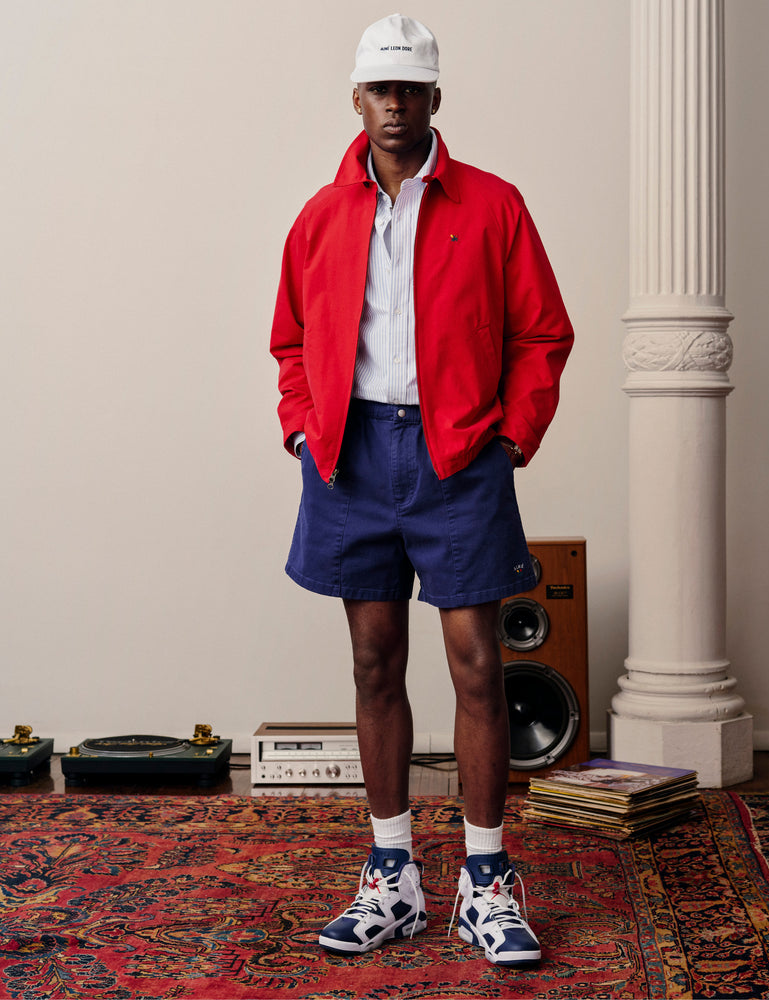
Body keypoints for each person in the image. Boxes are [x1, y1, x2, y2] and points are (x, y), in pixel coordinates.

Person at [270, 13, 573, 967]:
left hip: (458, 456)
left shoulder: (494, 205)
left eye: (411, 89)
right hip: (351, 456)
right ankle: (392, 875)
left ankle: (487, 880)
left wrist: (511, 438)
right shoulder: (319, 217)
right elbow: (290, 338)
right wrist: (302, 424)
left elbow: (542, 332)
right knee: (374, 662)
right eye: (381, 90)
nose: (396, 106)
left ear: (435, 98)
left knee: (478, 665)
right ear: (356, 99)